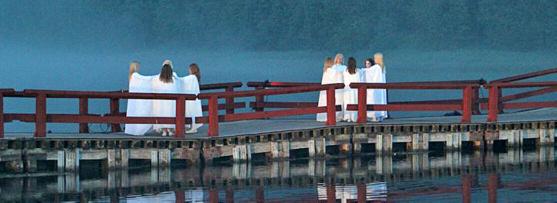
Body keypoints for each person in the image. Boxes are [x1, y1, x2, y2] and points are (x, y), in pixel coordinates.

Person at [125, 61, 156, 135]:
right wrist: (156, 77)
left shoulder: (131, 76)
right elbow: (145, 80)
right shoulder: (135, 75)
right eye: (138, 66)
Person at [152, 61, 179, 136]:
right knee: (171, 113)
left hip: (161, 102)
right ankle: (170, 130)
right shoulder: (174, 80)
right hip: (171, 102)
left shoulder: (158, 79)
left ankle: (164, 130)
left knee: (162, 113)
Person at [316, 57, 344, 122]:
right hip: (333, 90)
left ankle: (322, 116)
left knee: (324, 102)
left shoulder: (325, 71)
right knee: (333, 102)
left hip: (324, 90)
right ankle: (335, 116)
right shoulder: (334, 71)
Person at [179, 63, 203, 133]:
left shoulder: (192, 77)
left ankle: (192, 128)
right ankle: (192, 127)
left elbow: (182, 80)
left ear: (192, 70)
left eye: (189, 69)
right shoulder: (196, 77)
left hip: (191, 98)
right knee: (193, 112)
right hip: (195, 98)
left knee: (190, 111)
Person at [363, 53, 388, 121]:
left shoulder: (376, 67)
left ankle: (374, 115)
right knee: (381, 100)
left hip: (376, 88)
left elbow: (368, 71)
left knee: (374, 100)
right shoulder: (382, 67)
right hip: (382, 88)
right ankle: (381, 115)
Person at [342, 57, 361, 122]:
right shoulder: (358, 71)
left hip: (347, 89)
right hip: (355, 90)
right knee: (355, 101)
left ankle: (348, 117)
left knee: (347, 101)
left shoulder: (345, 71)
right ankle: (354, 117)